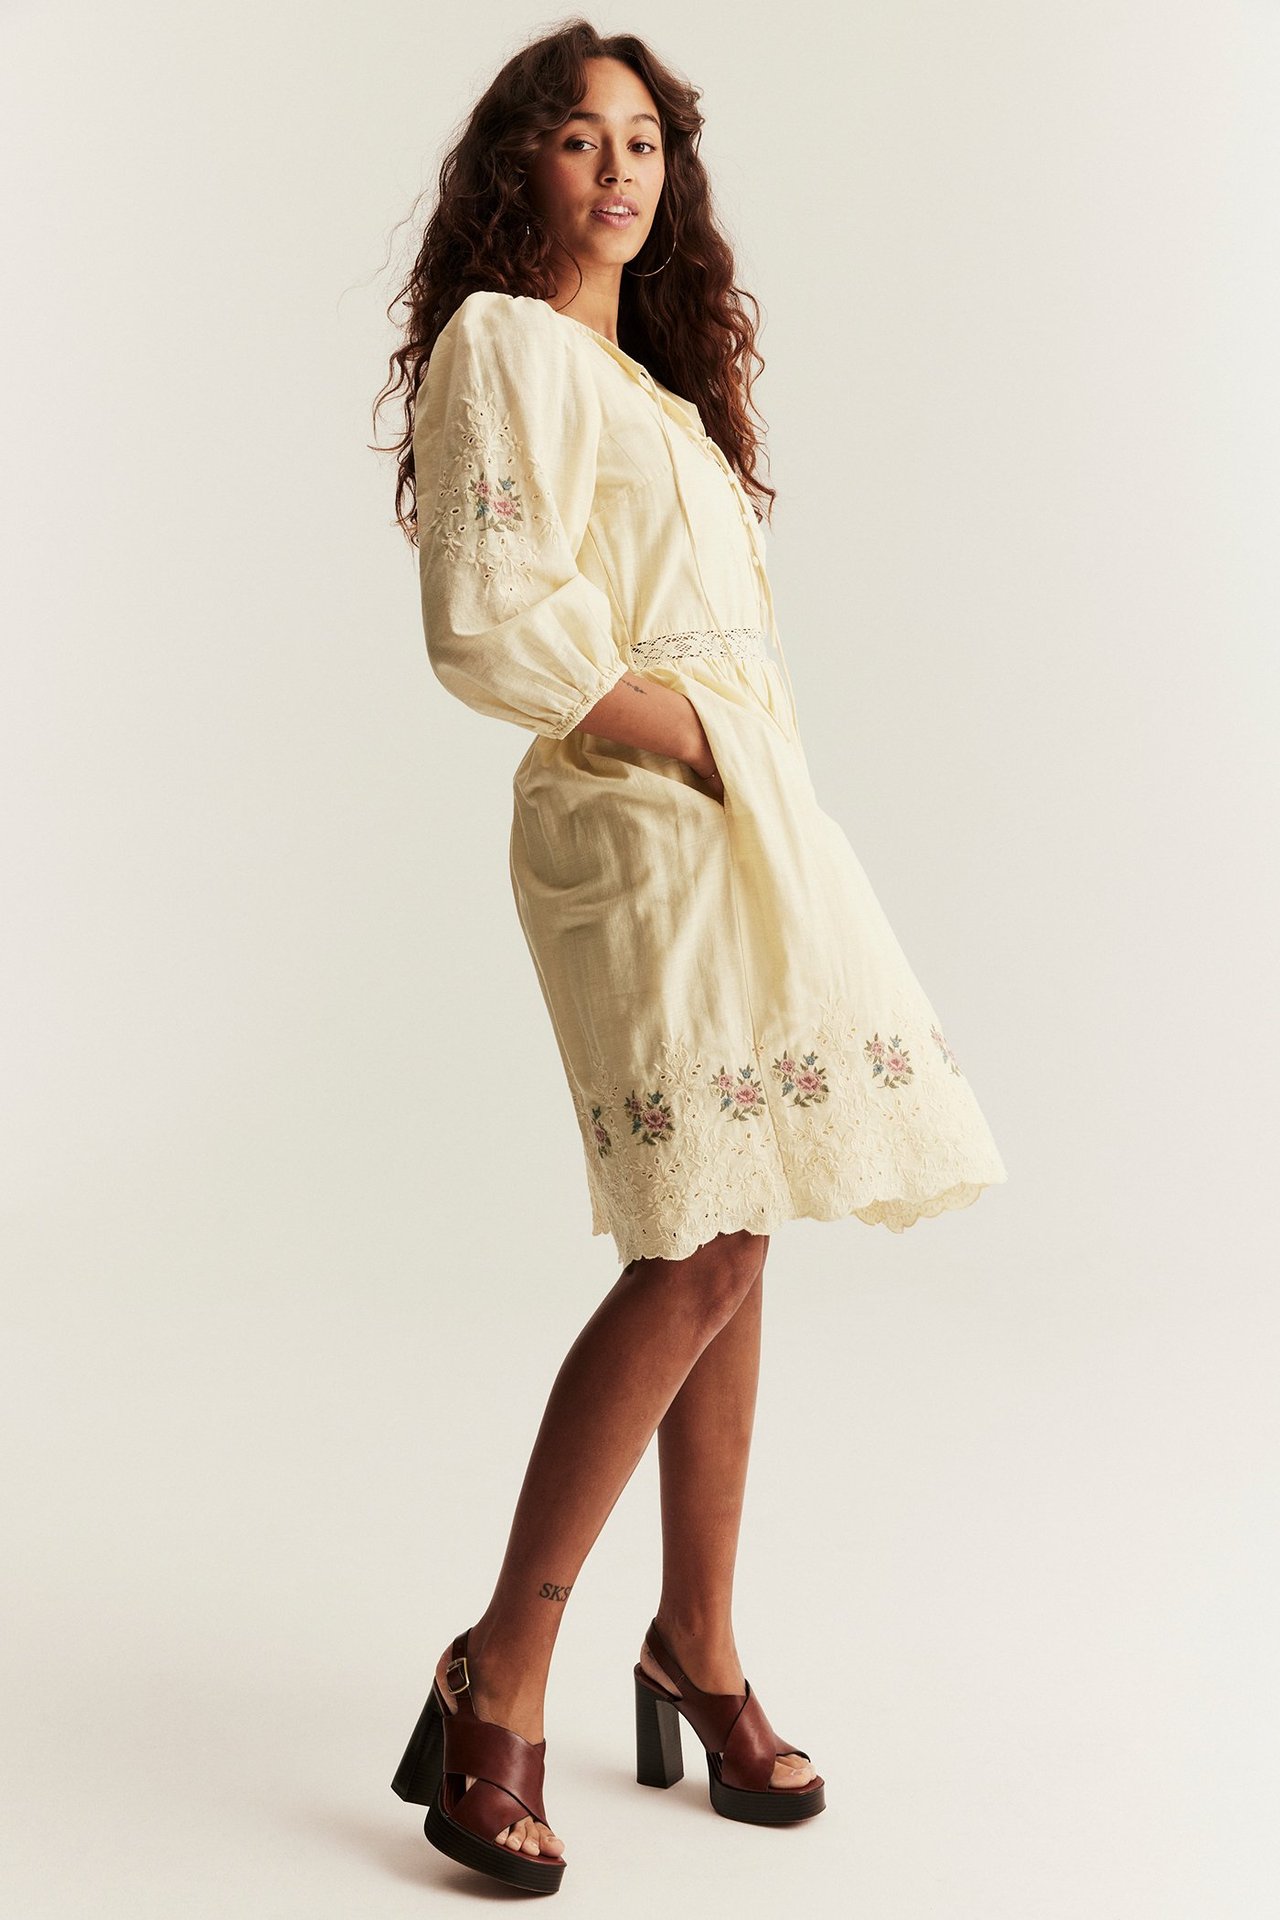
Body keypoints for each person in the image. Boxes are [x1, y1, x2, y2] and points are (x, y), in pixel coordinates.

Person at [375, 22, 1008, 1896]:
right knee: (697, 1234)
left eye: (644, 138)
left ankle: (698, 1648)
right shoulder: (507, 348)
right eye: (578, 139)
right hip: (639, 822)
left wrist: (751, 770)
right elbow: (491, 612)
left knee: (746, 1213)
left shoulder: (650, 393)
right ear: (523, 173)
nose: (619, 169)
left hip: (745, 819)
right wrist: (687, 742)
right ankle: (500, 1678)